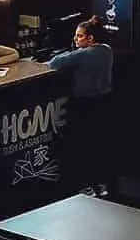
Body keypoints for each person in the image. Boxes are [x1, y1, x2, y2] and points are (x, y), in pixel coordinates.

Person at [49, 17, 114, 187]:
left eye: (79, 36)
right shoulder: (107, 50)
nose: (75, 39)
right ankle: (99, 181)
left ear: (90, 38)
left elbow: (54, 63)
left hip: (84, 104)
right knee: (98, 143)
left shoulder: (84, 55)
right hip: (104, 102)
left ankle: (82, 183)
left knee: (81, 144)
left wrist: (70, 52)